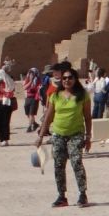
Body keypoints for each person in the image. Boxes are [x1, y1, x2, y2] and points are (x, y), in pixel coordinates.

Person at [36, 64, 93, 208]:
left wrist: (88, 137)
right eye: (64, 78)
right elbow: (48, 116)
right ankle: (62, 196)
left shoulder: (82, 96)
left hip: (76, 134)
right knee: (59, 165)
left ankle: (82, 194)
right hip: (58, 134)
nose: (67, 80)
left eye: (70, 78)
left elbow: (87, 117)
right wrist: (41, 136)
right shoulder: (55, 95)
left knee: (76, 163)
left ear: (75, 79)